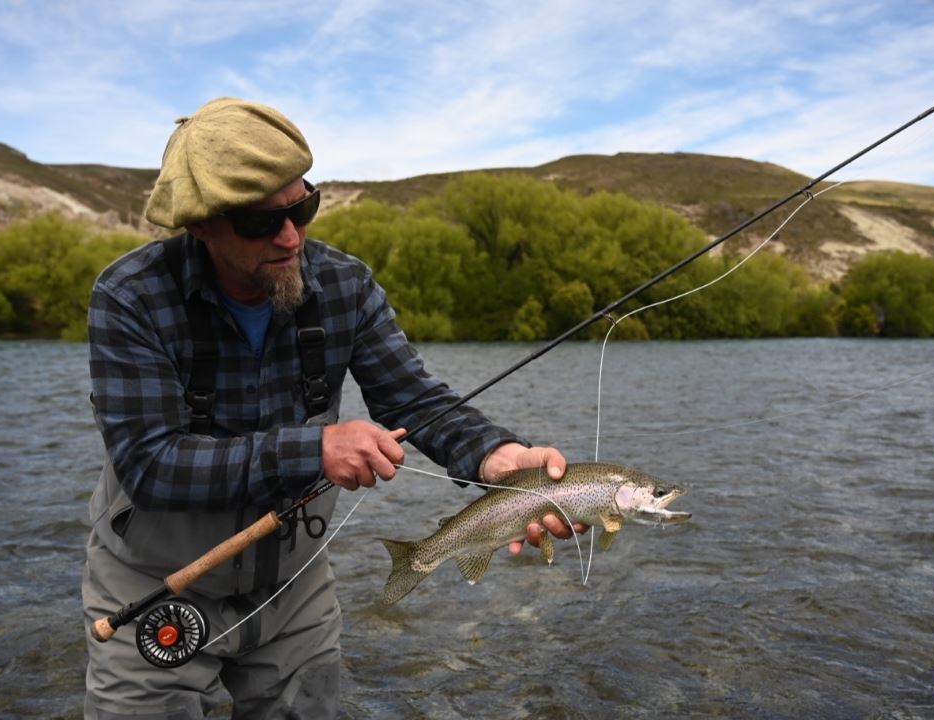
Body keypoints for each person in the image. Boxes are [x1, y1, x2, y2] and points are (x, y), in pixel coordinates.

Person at [82, 97, 579, 719]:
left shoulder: (345, 284)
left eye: (302, 208)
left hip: (295, 584)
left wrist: (496, 457)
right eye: (260, 223)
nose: (291, 237)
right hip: (155, 582)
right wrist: (315, 448)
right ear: (201, 225)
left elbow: (414, 397)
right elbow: (151, 465)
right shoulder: (130, 297)